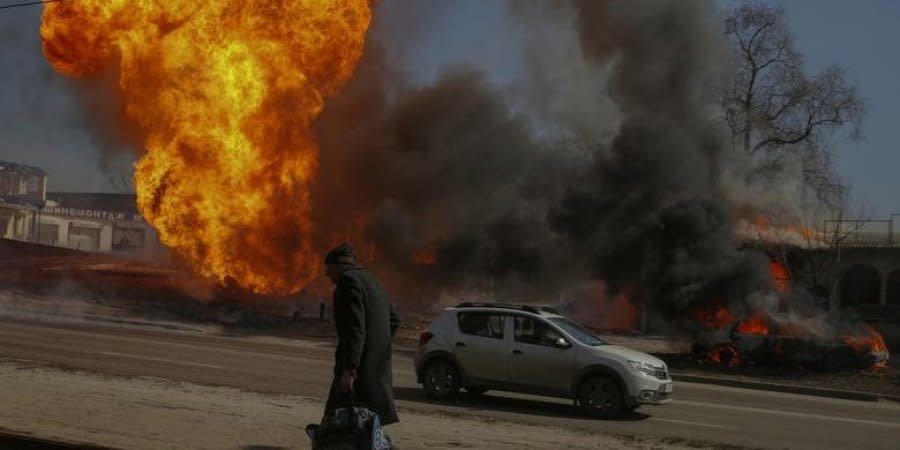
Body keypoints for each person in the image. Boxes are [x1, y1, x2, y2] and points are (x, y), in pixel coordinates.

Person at [323, 242, 400, 427]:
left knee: (338, 424)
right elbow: (394, 320)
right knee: (368, 426)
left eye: (329, 270)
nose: (327, 275)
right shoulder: (372, 280)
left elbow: (354, 329)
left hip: (357, 373)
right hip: (377, 369)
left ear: (340, 266)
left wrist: (349, 369)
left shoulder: (348, 282)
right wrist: (378, 347)